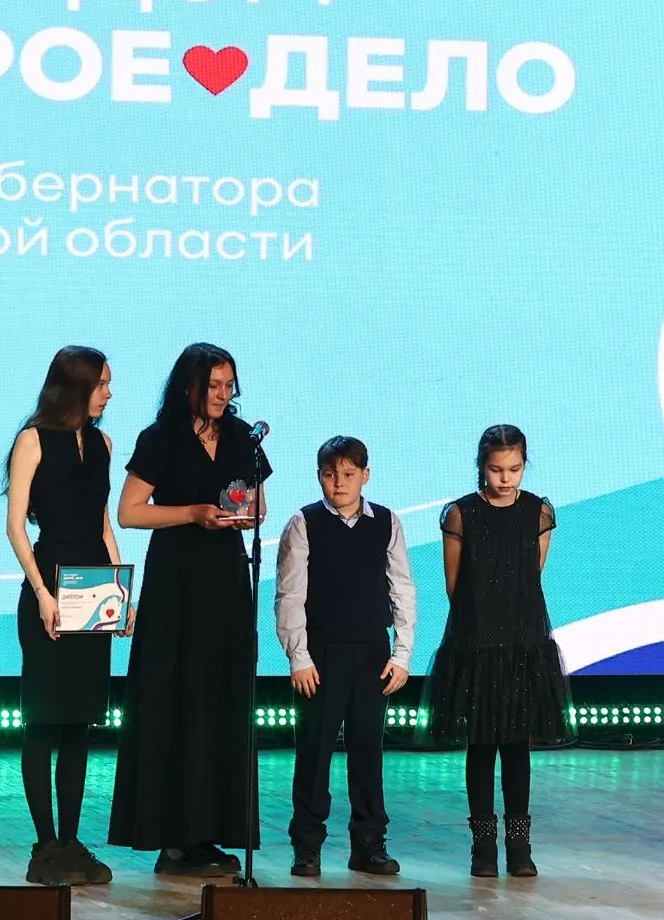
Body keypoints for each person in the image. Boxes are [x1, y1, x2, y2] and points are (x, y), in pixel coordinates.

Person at [108, 343, 271, 876]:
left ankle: (211, 831)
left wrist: (244, 515)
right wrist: (192, 513)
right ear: (188, 387)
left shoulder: (243, 437)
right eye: (213, 386)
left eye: (229, 386)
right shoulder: (160, 438)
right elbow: (130, 512)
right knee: (176, 696)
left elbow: (258, 504)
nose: (222, 396)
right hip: (176, 579)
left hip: (226, 576)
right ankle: (173, 836)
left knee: (221, 698)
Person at [426, 424, 572, 878]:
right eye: (496, 469)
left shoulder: (538, 512)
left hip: (524, 643)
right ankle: (483, 847)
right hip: (477, 643)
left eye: (514, 469)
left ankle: (520, 845)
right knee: (481, 746)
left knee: (516, 747)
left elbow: (533, 574)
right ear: (481, 467)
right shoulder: (461, 514)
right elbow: (454, 585)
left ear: (525, 465)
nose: (506, 478)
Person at [2, 345, 120, 887]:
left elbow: (102, 524)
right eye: (102, 384)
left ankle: (71, 842)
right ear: (76, 386)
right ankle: (45, 845)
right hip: (49, 579)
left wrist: (121, 591)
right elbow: (16, 527)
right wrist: (43, 593)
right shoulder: (32, 440)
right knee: (45, 718)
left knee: (79, 719)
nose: (109, 394)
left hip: (93, 587)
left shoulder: (102, 444)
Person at [274, 435, 418, 878]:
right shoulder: (304, 523)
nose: (339, 482)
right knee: (314, 750)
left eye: (349, 474)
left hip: (373, 653)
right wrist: (299, 657)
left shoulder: (387, 522)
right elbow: (290, 594)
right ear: (319, 476)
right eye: (330, 474)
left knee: (367, 751)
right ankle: (307, 845)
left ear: (365, 476)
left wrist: (402, 653)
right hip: (321, 655)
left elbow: (402, 587)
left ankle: (369, 844)